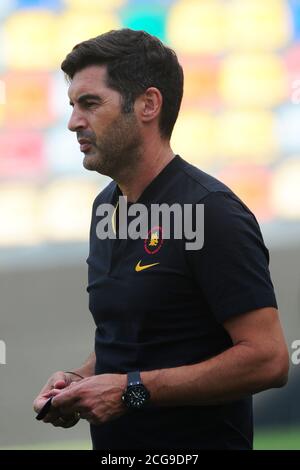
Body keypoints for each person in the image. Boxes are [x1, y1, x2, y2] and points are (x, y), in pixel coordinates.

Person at [33, 28, 289, 450]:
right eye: (73, 105)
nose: (74, 121)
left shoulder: (212, 211)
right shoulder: (106, 208)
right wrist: (82, 380)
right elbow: (139, 338)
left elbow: (268, 359)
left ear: (148, 105)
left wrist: (129, 390)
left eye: (90, 103)